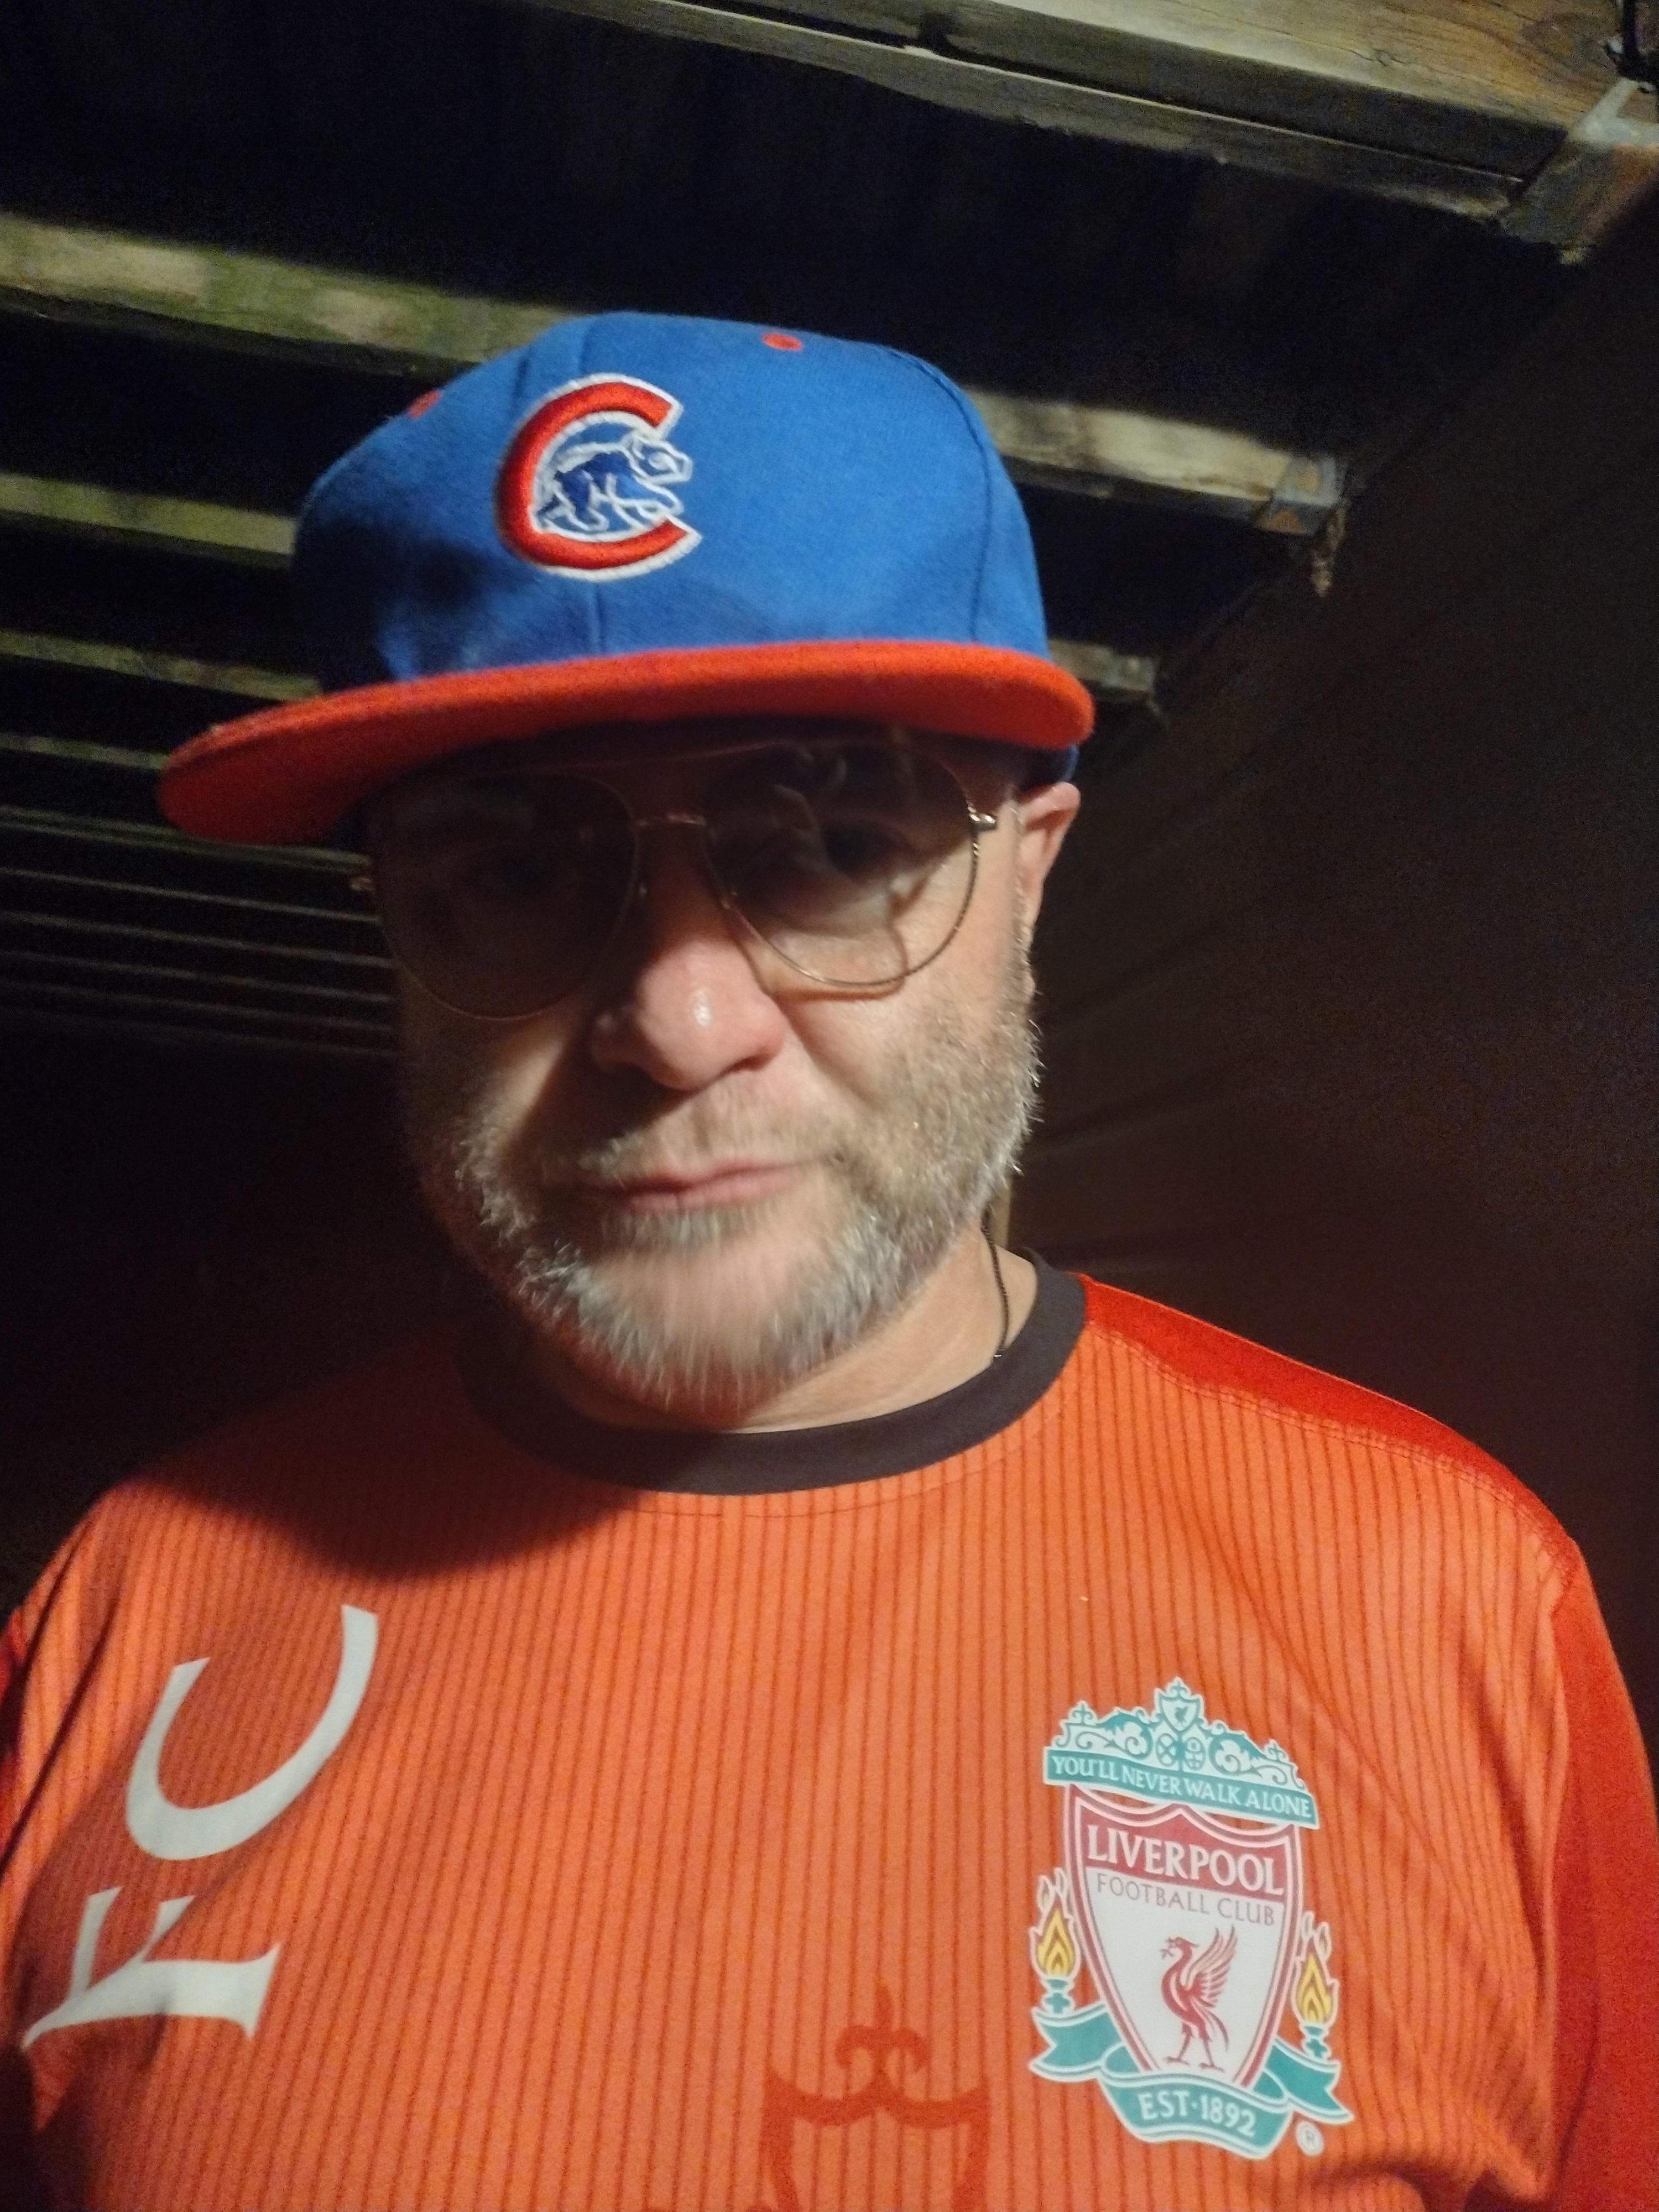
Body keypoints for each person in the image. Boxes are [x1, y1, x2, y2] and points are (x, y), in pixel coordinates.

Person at [1, 314, 1653, 2212]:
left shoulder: (1451, 1599)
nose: (679, 1022)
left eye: (830, 842)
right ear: (400, 933)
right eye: (515, 871)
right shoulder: (127, 1611)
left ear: (1027, 880)